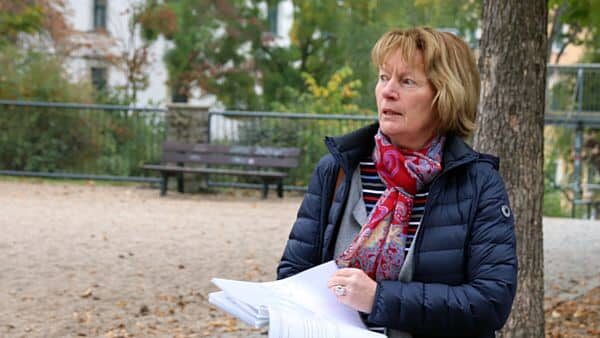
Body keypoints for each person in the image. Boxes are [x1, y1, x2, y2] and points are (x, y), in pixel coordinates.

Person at [277, 27, 517, 338]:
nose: (388, 91)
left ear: (445, 95)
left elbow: (490, 303)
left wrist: (379, 299)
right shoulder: (338, 170)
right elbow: (292, 276)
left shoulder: (478, 183)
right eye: (383, 77)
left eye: (406, 81)